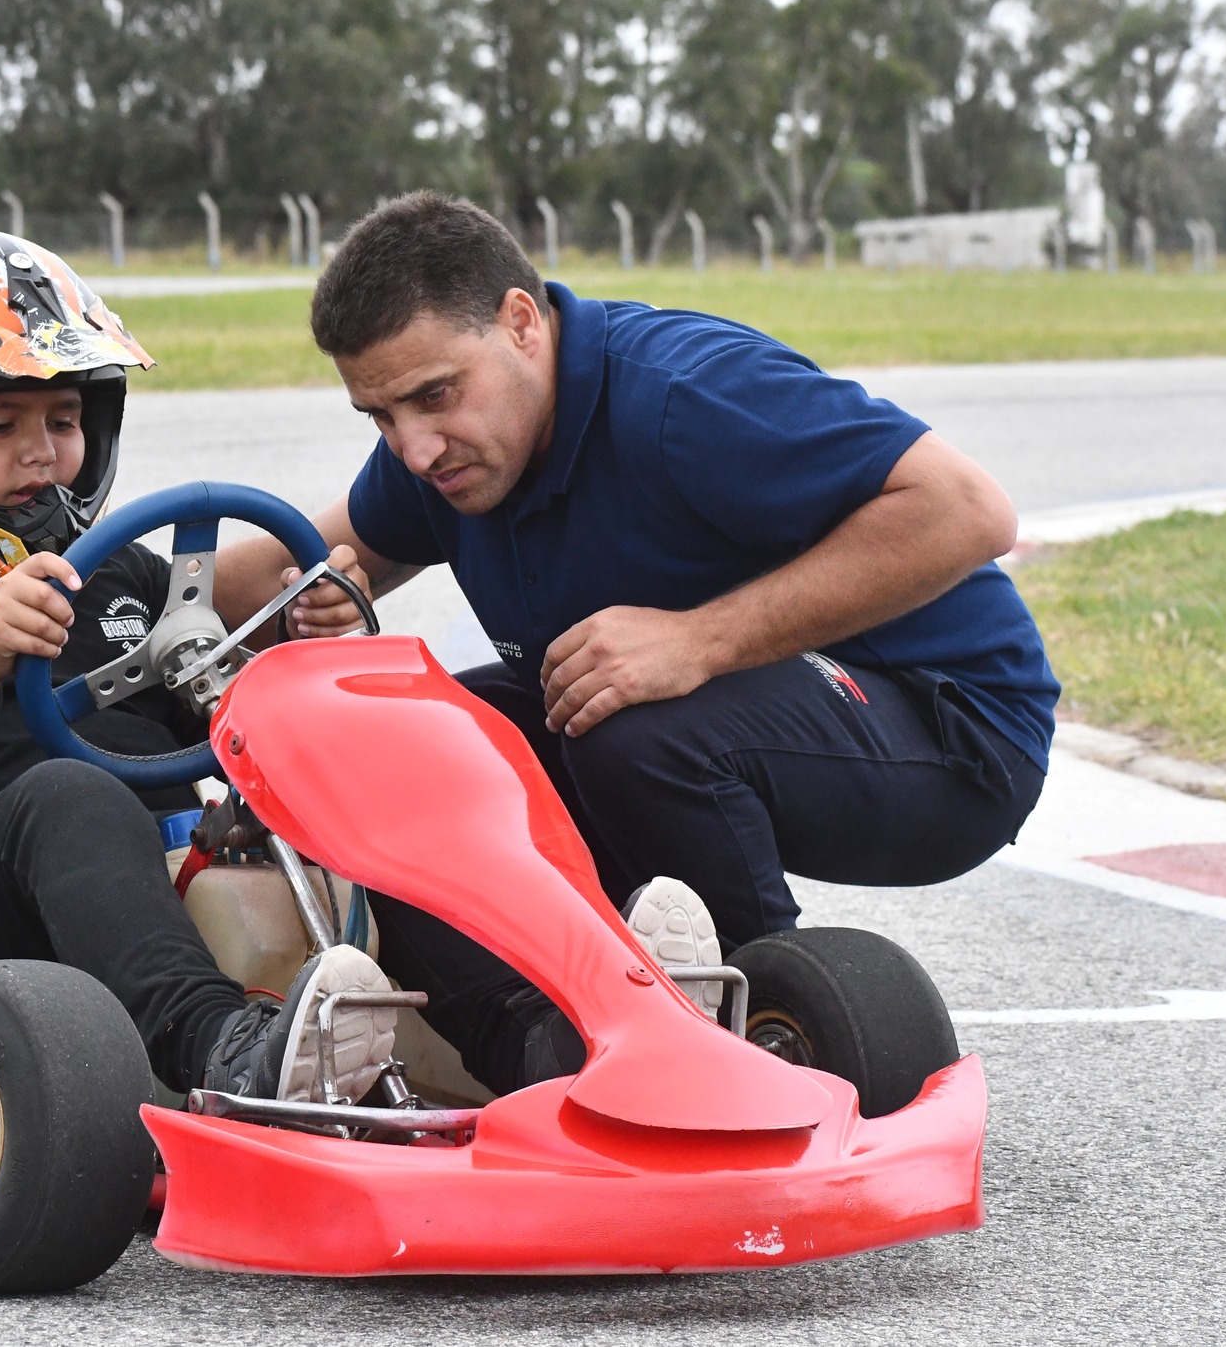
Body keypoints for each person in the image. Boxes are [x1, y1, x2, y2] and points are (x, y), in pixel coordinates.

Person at [218, 192, 1058, 1094]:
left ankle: (763, 1034)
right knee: (394, 743)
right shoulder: (450, 453)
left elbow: (971, 511)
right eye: (380, 416)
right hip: (704, 718)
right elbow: (274, 572)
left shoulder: (683, 392)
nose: (415, 449)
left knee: (626, 719)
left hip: (951, 729)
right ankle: (543, 1056)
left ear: (521, 323)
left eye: (433, 396)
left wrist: (699, 638)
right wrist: (89, 592)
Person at [0, 230, 397, 1106]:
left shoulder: (124, 573)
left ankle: (527, 1025)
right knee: (75, 793)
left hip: (170, 861)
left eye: (63, 422)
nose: (41, 452)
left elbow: (224, 732)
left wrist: (297, 637)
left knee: (379, 761)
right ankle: (224, 1051)